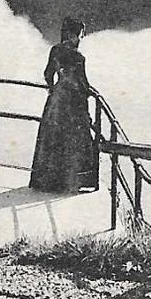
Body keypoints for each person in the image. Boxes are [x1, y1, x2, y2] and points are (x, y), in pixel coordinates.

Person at [29, 17, 101, 194]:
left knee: (52, 138)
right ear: (74, 35)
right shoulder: (78, 57)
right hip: (73, 101)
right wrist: (90, 93)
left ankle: (48, 181)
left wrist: (53, 90)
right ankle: (74, 180)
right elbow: (83, 83)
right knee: (75, 138)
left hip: (56, 100)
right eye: (80, 35)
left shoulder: (55, 50)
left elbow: (47, 74)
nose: (80, 39)